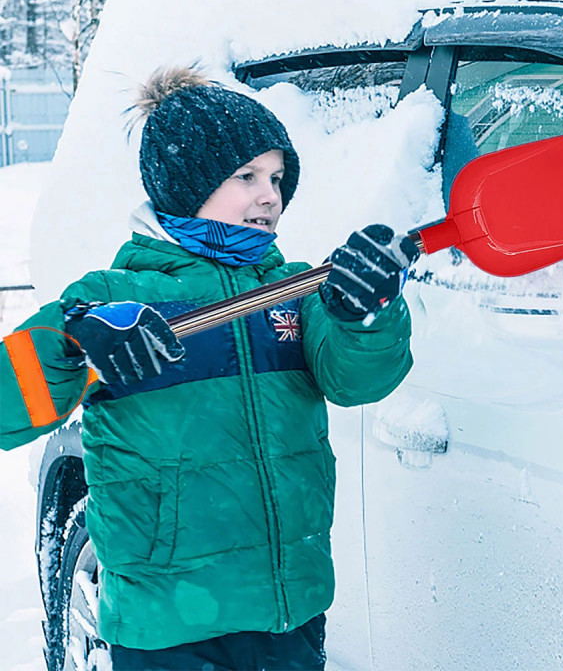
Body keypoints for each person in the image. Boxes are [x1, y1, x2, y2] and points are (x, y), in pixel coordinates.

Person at [0, 67, 419, 670]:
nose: (268, 194)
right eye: (245, 176)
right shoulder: (115, 297)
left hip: (288, 608)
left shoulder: (295, 289)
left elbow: (358, 380)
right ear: (185, 185)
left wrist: (364, 314)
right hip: (170, 625)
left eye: (277, 177)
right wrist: (70, 342)